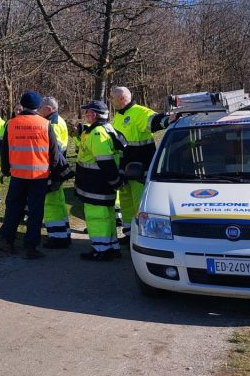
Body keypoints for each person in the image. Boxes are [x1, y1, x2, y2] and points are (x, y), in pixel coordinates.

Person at [0, 90, 67, 259]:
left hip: (18, 175)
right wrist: (54, 173)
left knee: (13, 208)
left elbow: (5, 151)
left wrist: (5, 170)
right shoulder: (45, 124)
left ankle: (6, 240)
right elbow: (54, 153)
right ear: (38, 106)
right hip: (39, 175)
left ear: (22, 105)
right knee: (35, 211)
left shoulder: (11, 124)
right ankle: (31, 247)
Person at [108, 86, 172, 242]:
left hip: (140, 169)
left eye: (112, 98)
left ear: (122, 98)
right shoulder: (119, 116)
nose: (110, 100)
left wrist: (168, 119)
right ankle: (129, 233)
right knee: (126, 202)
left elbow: (156, 120)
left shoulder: (139, 112)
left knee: (139, 203)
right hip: (125, 168)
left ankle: (140, 235)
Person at [75, 100, 126, 261]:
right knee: (107, 216)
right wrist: (115, 181)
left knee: (96, 217)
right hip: (101, 183)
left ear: (95, 114)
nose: (86, 115)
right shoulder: (106, 128)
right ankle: (111, 247)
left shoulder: (98, 133)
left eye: (88, 112)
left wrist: (114, 180)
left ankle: (101, 250)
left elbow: (105, 161)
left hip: (95, 184)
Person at [38, 97, 72, 248]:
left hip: (53, 170)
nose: (38, 110)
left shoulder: (54, 124)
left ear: (49, 109)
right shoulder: (57, 120)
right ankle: (63, 233)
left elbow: (54, 151)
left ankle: (57, 238)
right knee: (58, 204)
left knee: (51, 205)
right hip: (57, 169)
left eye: (41, 108)